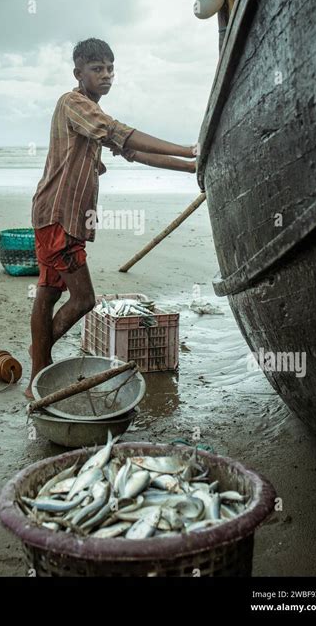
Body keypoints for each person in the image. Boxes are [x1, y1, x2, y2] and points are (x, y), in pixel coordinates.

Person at [25, 37, 197, 398]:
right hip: (59, 216)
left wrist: (193, 167)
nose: (106, 75)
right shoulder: (74, 103)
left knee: (48, 292)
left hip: (54, 215)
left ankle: (37, 373)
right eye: (97, 69)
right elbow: (121, 131)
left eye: (110, 69)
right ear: (78, 73)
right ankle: (38, 357)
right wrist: (187, 147)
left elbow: (134, 150)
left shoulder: (91, 115)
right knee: (83, 299)